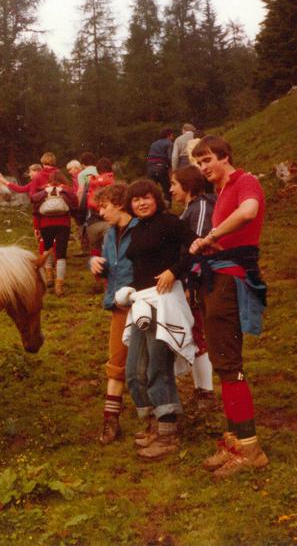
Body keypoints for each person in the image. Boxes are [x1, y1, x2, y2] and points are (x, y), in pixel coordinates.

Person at [188, 135, 269, 477]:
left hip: (229, 282)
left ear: (225, 156)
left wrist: (212, 236)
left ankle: (250, 449)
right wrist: (211, 244)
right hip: (216, 277)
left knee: (229, 363)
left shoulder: (244, 181)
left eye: (208, 160)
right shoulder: (221, 192)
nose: (204, 167)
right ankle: (236, 439)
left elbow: (249, 212)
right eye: (199, 162)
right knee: (223, 362)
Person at [122, 179, 198, 459]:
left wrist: (174, 271)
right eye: (136, 200)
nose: (141, 203)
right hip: (141, 302)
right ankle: (152, 420)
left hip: (164, 302)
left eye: (147, 198)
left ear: (157, 199)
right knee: (134, 369)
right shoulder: (137, 229)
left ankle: (168, 432)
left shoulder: (170, 223)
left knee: (157, 365)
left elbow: (195, 248)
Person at [88, 183, 140, 444]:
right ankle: (111, 421)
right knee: (116, 363)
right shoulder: (109, 235)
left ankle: (157, 422)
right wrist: (95, 264)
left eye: (104, 206)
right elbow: (110, 267)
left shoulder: (142, 229)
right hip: (119, 307)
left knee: (149, 363)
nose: (101, 212)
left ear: (119, 204)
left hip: (144, 306)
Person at [170, 166, 217, 404]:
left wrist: (190, 282)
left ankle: (206, 390)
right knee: (194, 330)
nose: (170, 189)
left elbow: (197, 247)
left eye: (174, 184)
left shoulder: (199, 208)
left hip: (197, 280)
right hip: (189, 279)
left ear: (187, 185)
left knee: (198, 331)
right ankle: (201, 388)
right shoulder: (190, 208)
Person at [30, 171, 77, 296]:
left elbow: (35, 209)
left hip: (46, 224)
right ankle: (59, 286)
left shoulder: (43, 190)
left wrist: (37, 227)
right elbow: (75, 205)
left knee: (47, 248)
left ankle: (49, 276)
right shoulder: (66, 190)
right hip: (63, 224)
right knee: (61, 255)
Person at [84, 157, 116, 260]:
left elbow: (82, 203)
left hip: (93, 222)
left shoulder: (92, 182)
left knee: (95, 248)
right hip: (108, 222)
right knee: (110, 247)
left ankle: (97, 272)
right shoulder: (112, 182)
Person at [146, 128, 175, 204]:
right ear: (168, 135)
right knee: (167, 189)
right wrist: (171, 168)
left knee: (151, 190)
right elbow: (170, 157)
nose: (173, 137)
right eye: (172, 135)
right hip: (161, 167)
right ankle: (167, 206)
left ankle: (152, 204)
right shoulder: (169, 143)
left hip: (150, 168)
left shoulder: (153, 144)